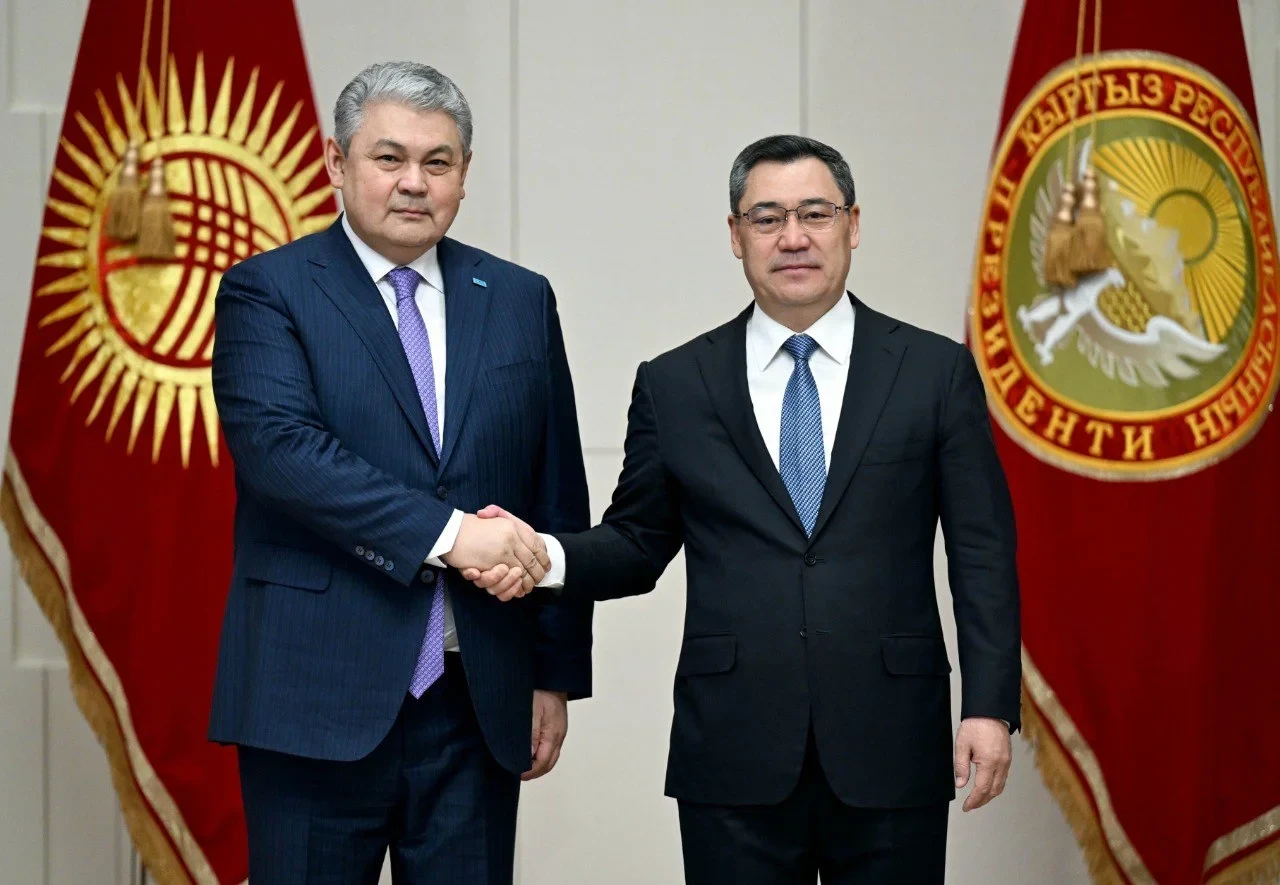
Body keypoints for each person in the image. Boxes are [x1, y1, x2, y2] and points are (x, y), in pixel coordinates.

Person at [466, 135, 1021, 884]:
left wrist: (989, 706)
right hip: (732, 748)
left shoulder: (933, 371)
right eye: (767, 217)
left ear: (853, 224)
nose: (793, 237)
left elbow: (982, 554)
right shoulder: (676, 383)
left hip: (893, 741)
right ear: (736, 235)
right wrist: (541, 555)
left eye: (815, 213)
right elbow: (636, 542)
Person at [207, 61, 593, 884]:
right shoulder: (267, 291)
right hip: (313, 699)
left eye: (437, 161)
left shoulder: (519, 297)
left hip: (475, 700)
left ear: (464, 174)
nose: (414, 182)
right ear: (336, 161)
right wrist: (454, 536)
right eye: (389, 158)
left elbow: (556, 488)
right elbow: (283, 453)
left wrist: (553, 673)